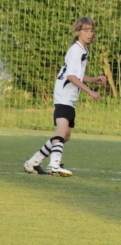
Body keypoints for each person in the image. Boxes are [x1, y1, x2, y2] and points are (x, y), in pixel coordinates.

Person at [24, 17, 107, 177]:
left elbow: (78, 75)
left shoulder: (83, 50)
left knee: (65, 135)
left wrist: (94, 79)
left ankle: (33, 162)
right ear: (78, 32)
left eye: (91, 30)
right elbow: (71, 77)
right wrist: (91, 92)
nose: (90, 33)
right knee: (61, 131)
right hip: (64, 95)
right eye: (86, 30)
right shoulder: (76, 50)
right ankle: (54, 165)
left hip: (69, 97)